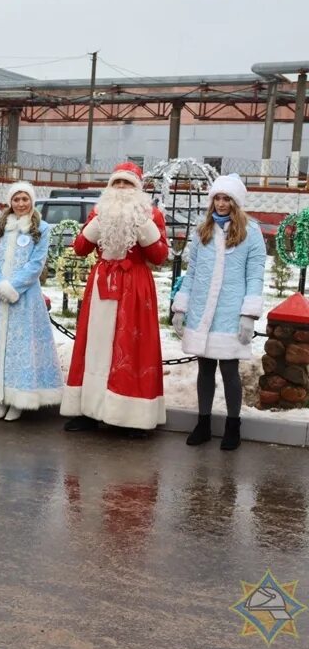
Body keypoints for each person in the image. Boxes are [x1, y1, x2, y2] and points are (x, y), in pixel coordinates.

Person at [60, 162, 169, 436]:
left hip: (134, 287)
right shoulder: (99, 212)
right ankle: (89, 410)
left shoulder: (151, 215)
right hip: (102, 285)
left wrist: (144, 227)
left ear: (138, 189)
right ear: (109, 187)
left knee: (131, 346)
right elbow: (80, 248)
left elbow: (159, 256)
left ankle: (133, 416)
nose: (122, 189)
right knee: (95, 347)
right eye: (117, 184)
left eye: (128, 184)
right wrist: (96, 224)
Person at [172, 174, 266, 450]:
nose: (221, 204)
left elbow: (256, 275)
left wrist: (248, 314)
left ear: (236, 203)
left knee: (229, 370)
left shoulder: (251, 233)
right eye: (217, 198)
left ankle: (233, 425)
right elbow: (191, 274)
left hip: (230, 313)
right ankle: (203, 423)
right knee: (204, 368)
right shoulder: (203, 231)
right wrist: (181, 306)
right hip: (203, 313)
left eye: (227, 199)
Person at [0, 181, 63, 420]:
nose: (21, 204)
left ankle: (17, 399)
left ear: (31, 201)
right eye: (16, 199)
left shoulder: (40, 228)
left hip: (25, 297)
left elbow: (36, 263)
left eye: (25, 199)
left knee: (20, 348)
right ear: (10, 202)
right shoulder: (1, 227)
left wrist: (13, 287)